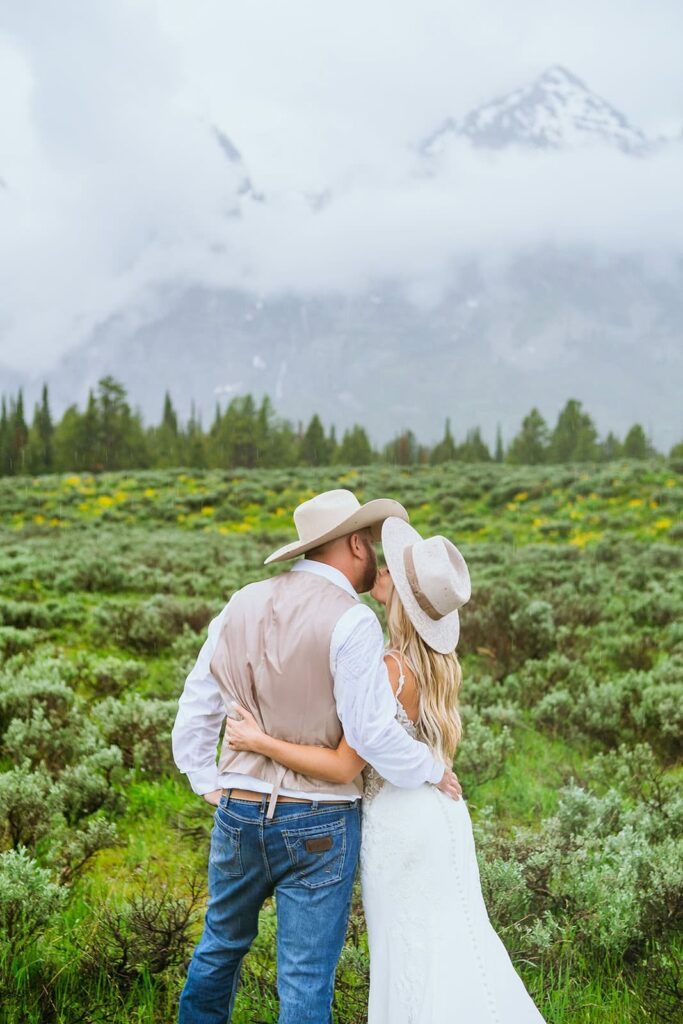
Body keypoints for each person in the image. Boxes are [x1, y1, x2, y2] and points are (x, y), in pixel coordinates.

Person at [226, 515, 548, 1023]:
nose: (382, 562)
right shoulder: (437, 664)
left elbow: (343, 763)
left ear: (398, 591)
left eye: (394, 567)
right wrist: (429, 768)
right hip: (439, 815)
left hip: (399, 820)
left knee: (409, 949)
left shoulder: (388, 668)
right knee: (453, 938)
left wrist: (259, 741)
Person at [171, 490, 462, 1024]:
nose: (373, 554)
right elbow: (370, 734)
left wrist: (203, 776)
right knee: (305, 980)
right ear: (353, 544)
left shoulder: (239, 603)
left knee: (218, 949)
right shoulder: (353, 620)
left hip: (238, 808)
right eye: (369, 542)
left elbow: (199, 698)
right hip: (319, 820)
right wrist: (429, 767)